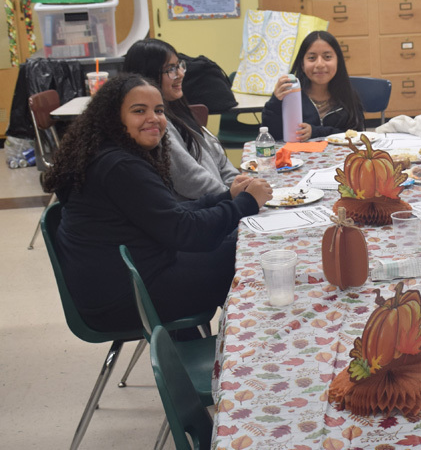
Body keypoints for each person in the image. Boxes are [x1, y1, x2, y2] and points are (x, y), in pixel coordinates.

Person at [42, 74, 272, 332]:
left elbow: (168, 215)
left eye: (159, 110)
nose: (154, 118)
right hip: (125, 299)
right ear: (112, 117)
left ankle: (219, 348)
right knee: (254, 255)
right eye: (139, 111)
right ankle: (257, 350)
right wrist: (247, 203)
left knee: (238, 241)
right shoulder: (121, 166)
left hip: (123, 282)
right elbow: (187, 232)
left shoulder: (109, 155)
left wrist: (227, 197)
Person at [123, 38, 240, 201]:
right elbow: (189, 178)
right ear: (148, 75)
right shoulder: (156, 126)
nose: (180, 74)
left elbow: (219, 158)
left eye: (179, 66)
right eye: (171, 69)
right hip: (204, 211)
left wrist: (239, 185)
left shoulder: (179, 109)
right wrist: (233, 196)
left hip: (221, 202)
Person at [262, 31, 365, 142]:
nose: (320, 64)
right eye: (312, 58)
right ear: (302, 64)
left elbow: (356, 135)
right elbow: (271, 136)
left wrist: (316, 131)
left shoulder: (349, 95)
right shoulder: (289, 94)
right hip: (297, 158)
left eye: (327, 57)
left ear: (338, 61)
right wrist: (275, 101)